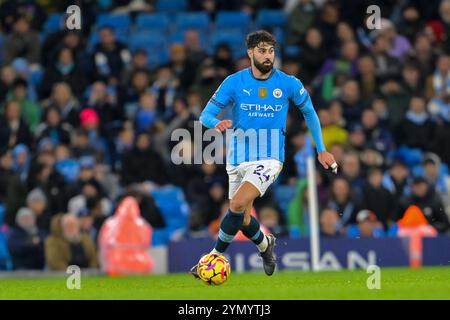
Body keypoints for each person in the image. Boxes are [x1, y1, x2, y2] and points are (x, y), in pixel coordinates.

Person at [192, 30, 337, 277]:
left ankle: (213, 256)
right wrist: (214, 123)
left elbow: (310, 112)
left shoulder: (288, 83)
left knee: (236, 204)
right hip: (237, 158)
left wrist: (321, 149)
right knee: (243, 219)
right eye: (262, 50)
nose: (267, 55)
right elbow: (205, 115)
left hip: (270, 157)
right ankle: (265, 244)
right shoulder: (234, 82)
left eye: (271, 51)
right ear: (250, 52)